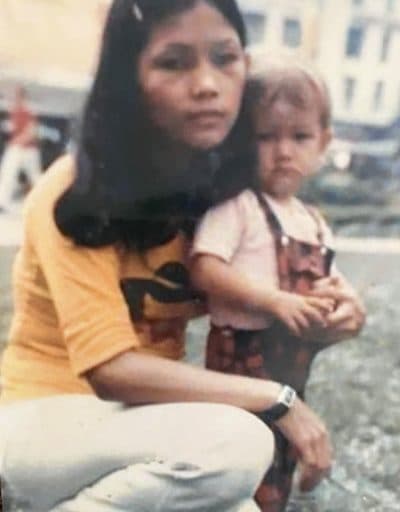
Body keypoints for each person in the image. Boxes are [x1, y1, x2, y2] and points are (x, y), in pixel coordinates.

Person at [0, 2, 364, 511]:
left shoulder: (227, 197)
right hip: (48, 420)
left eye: (225, 57)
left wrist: (330, 315)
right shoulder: (77, 190)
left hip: (152, 426)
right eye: (174, 62)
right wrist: (277, 399)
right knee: (240, 443)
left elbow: (261, 314)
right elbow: (111, 372)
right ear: (128, 78)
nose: (207, 84)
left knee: (241, 501)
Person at [190, 58, 365, 511]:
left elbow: (331, 282)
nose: (283, 151)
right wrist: (273, 300)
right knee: (231, 467)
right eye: (266, 137)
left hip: (290, 369)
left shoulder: (315, 222)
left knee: (275, 474)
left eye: (299, 137)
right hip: (239, 366)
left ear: (323, 144)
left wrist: (348, 306)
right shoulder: (240, 208)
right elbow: (205, 268)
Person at [0, 86, 41, 212]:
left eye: (16, 96)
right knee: (7, 174)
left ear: (22, 97)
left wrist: (18, 141)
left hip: (28, 150)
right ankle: (2, 203)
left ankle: (44, 203)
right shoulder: (14, 112)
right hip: (17, 149)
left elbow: (32, 131)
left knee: (36, 178)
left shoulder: (27, 111)